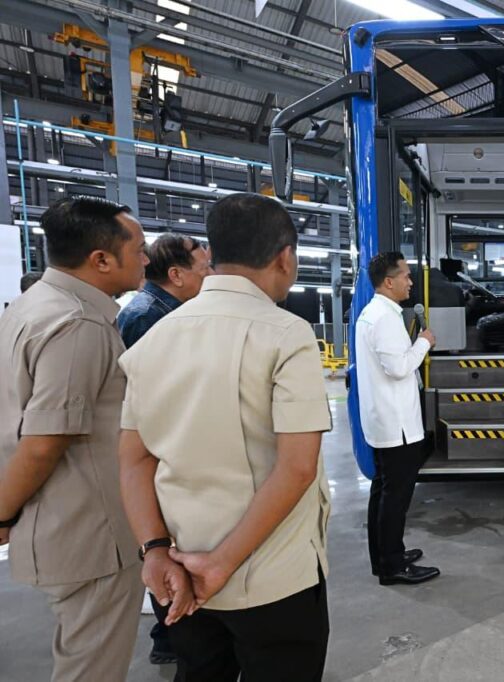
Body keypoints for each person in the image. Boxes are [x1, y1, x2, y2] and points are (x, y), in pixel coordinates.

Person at [118, 193, 333, 682]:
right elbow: (297, 466)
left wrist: (154, 550)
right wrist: (221, 563)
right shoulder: (286, 333)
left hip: (179, 571)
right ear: (286, 257)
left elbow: (133, 459)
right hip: (272, 577)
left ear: (214, 254)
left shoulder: (154, 338)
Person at [0, 196, 156, 681]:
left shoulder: (31, 306)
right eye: (139, 249)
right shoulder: (78, 324)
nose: (147, 258)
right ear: (101, 259)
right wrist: (1, 513)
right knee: (92, 668)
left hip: (61, 523)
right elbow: (45, 441)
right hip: (90, 532)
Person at [114, 232, 212, 666]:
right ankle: (169, 634)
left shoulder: (163, 311)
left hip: (159, 448)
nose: (209, 276)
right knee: (164, 545)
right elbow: (150, 402)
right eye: (203, 269)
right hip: (154, 451)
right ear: (176, 274)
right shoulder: (149, 318)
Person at [356, 251, 440, 585]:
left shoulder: (373, 313)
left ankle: (385, 555)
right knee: (396, 497)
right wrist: (424, 343)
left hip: (385, 420)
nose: (410, 281)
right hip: (398, 424)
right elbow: (399, 367)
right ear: (389, 282)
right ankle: (392, 566)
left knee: (384, 490)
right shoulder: (385, 318)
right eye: (405, 275)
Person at [118, 232, 212, 349]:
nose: (211, 274)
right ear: (176, 275)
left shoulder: (157, 311)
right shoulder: (146, 319)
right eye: (204, 268)